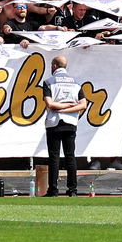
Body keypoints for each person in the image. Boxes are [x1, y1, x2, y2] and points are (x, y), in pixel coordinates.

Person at [42, 56, 88, 197]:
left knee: (54, 157)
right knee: (70, 157)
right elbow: (83, 105)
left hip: (54, 122)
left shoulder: (49, 82)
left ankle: (53, 190)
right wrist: (68, 106)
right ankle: (73, 190)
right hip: (71, 122)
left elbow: (50, 104)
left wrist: (61, 109)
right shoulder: (76, 83)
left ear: (55, 66)